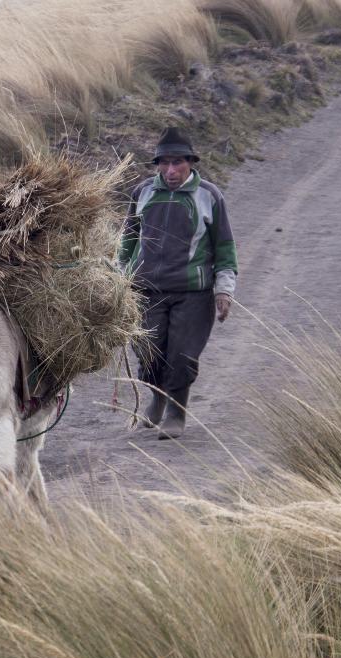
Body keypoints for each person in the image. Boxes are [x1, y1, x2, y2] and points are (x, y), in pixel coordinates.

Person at [118, 127, 238, 439]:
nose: (171, 171)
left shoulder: (209, 196)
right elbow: (128, 239)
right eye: (164, 163)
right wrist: (117, 277)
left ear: (191, 163)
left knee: (182, 356)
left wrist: (224, 289)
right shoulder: (142, 193)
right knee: (147, 352)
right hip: (145, 289)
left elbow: (224, 247)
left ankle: (176, 413)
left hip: (192, 294)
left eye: (178, 163)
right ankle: (158, 398)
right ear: (157, 164)